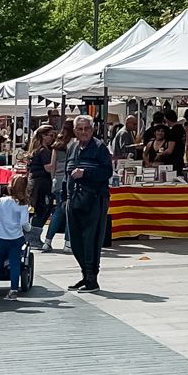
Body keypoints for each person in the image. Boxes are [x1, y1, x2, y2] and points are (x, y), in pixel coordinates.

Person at [65, 115, 113, 291]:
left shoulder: (100, 147)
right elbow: (67, 173)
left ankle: (92, 278)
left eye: (87, 128)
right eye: (80, 129)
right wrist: (68, 197)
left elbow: (107, 171)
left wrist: (85, 173)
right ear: (75, 130)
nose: (83, 132)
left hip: (94, 198)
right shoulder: (72, 147)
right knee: (76, 240)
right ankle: (85, 275)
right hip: (75, 199)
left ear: (92, 130)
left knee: (91, 239)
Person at [0, 176, 32, 301]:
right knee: (15, 263)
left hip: (0, 237)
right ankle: (13, 290)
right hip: (16, 238)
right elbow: (24, 224)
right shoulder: (23, 205)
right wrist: (29, 229)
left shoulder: (1, 201)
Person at [41, 122, 73, 252]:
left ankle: (48, 241)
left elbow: (53, 165)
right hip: (70, 180)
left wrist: (53, 180)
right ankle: (68, 243)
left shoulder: (57, 144)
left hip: (58, 181)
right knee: (70, 212)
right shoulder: (75, 143)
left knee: (59, 211)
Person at [26, 125, 56, 246]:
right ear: (43, 136)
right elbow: (47, 167)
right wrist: (57, 165)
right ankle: (33, 237)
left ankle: (33, 235)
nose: (52, 138)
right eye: (51, 135)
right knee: (43, 209)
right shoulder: (44, 151)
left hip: (36, 182)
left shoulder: (36, 150)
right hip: (42, 183)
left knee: (41, 209)